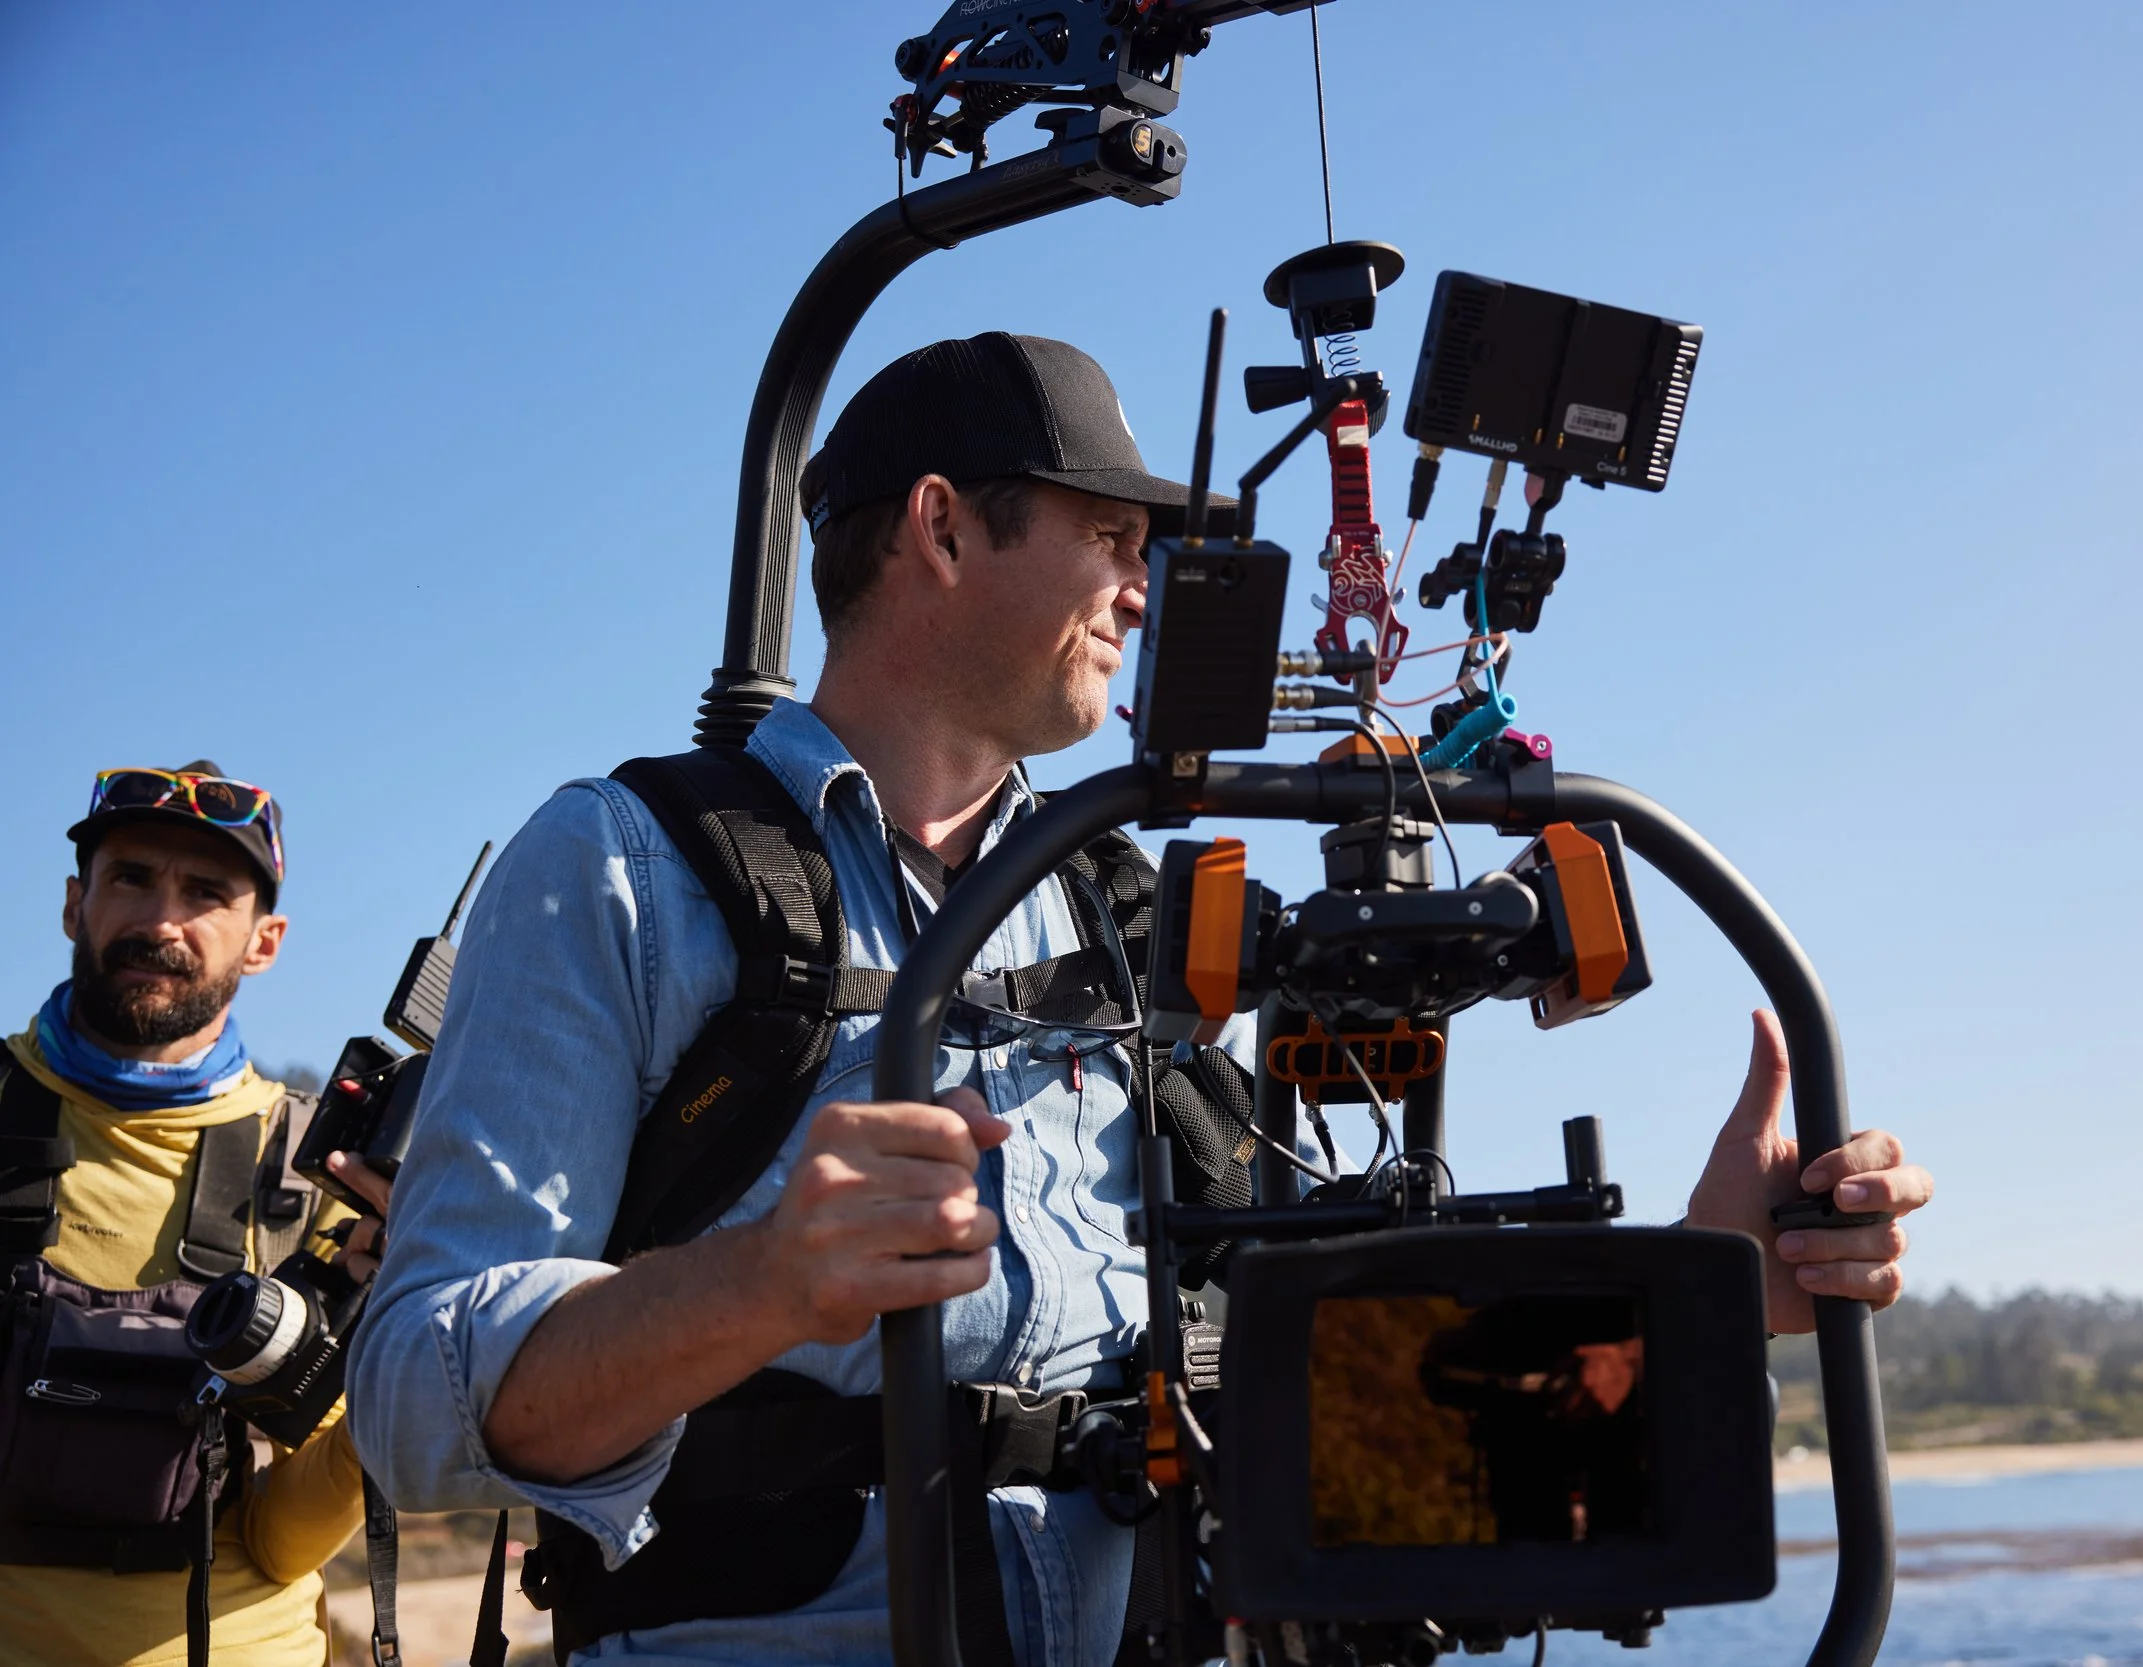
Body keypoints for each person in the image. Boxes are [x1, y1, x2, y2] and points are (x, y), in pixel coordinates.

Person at [351, 334, 1935, 1667]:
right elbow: (415, 1394)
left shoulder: (1118, 910)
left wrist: (1723, 1296)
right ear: (943, 528)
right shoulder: (623, 864)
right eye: (1110, 538)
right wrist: (763, 1282)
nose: (1141, 590)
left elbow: (1308, 1397)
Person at [0, 764, 390, 1667]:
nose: (160, 921)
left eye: (206, 892)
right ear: (73, 904)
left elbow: (286, 1536)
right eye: (130, 877)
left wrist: (388, 1337)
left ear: (265, 941)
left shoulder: (321, 1172)